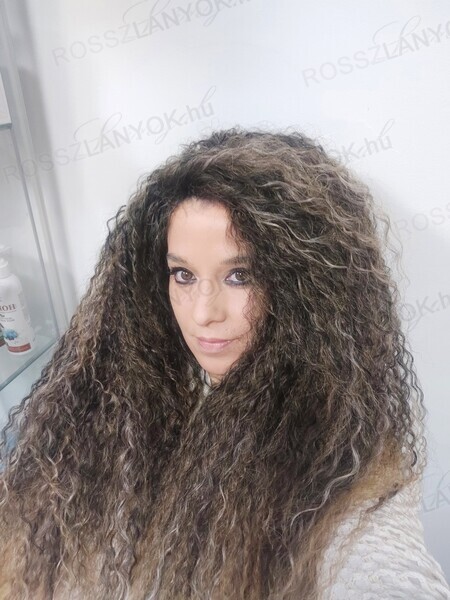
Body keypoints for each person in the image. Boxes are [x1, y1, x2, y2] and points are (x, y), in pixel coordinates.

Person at [0, 127, 449, 600]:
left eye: (240, 276)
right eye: (183, 274)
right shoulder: (144, 398)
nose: (203, 313)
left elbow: (384, 570)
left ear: (309, 289)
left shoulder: (349, 458)